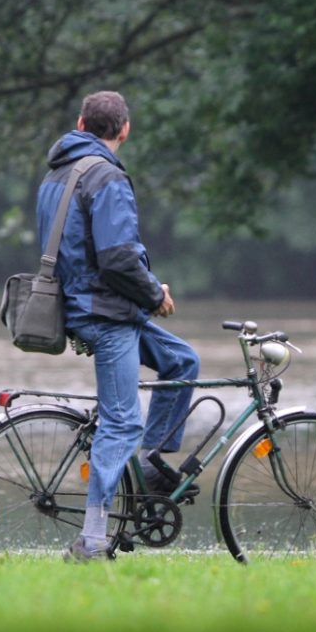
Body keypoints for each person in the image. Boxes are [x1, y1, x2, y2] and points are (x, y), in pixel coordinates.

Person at [36, 90, 201, 562]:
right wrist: (155, 293)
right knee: (122, 421)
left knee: (181, 361)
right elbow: (116, 258)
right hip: (105, 314)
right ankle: (92, 539)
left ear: (81, 122)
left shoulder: (57, 174)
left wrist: (141, 292)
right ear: (124, 130)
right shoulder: (105, 176)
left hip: (85, 304)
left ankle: (147, 465)